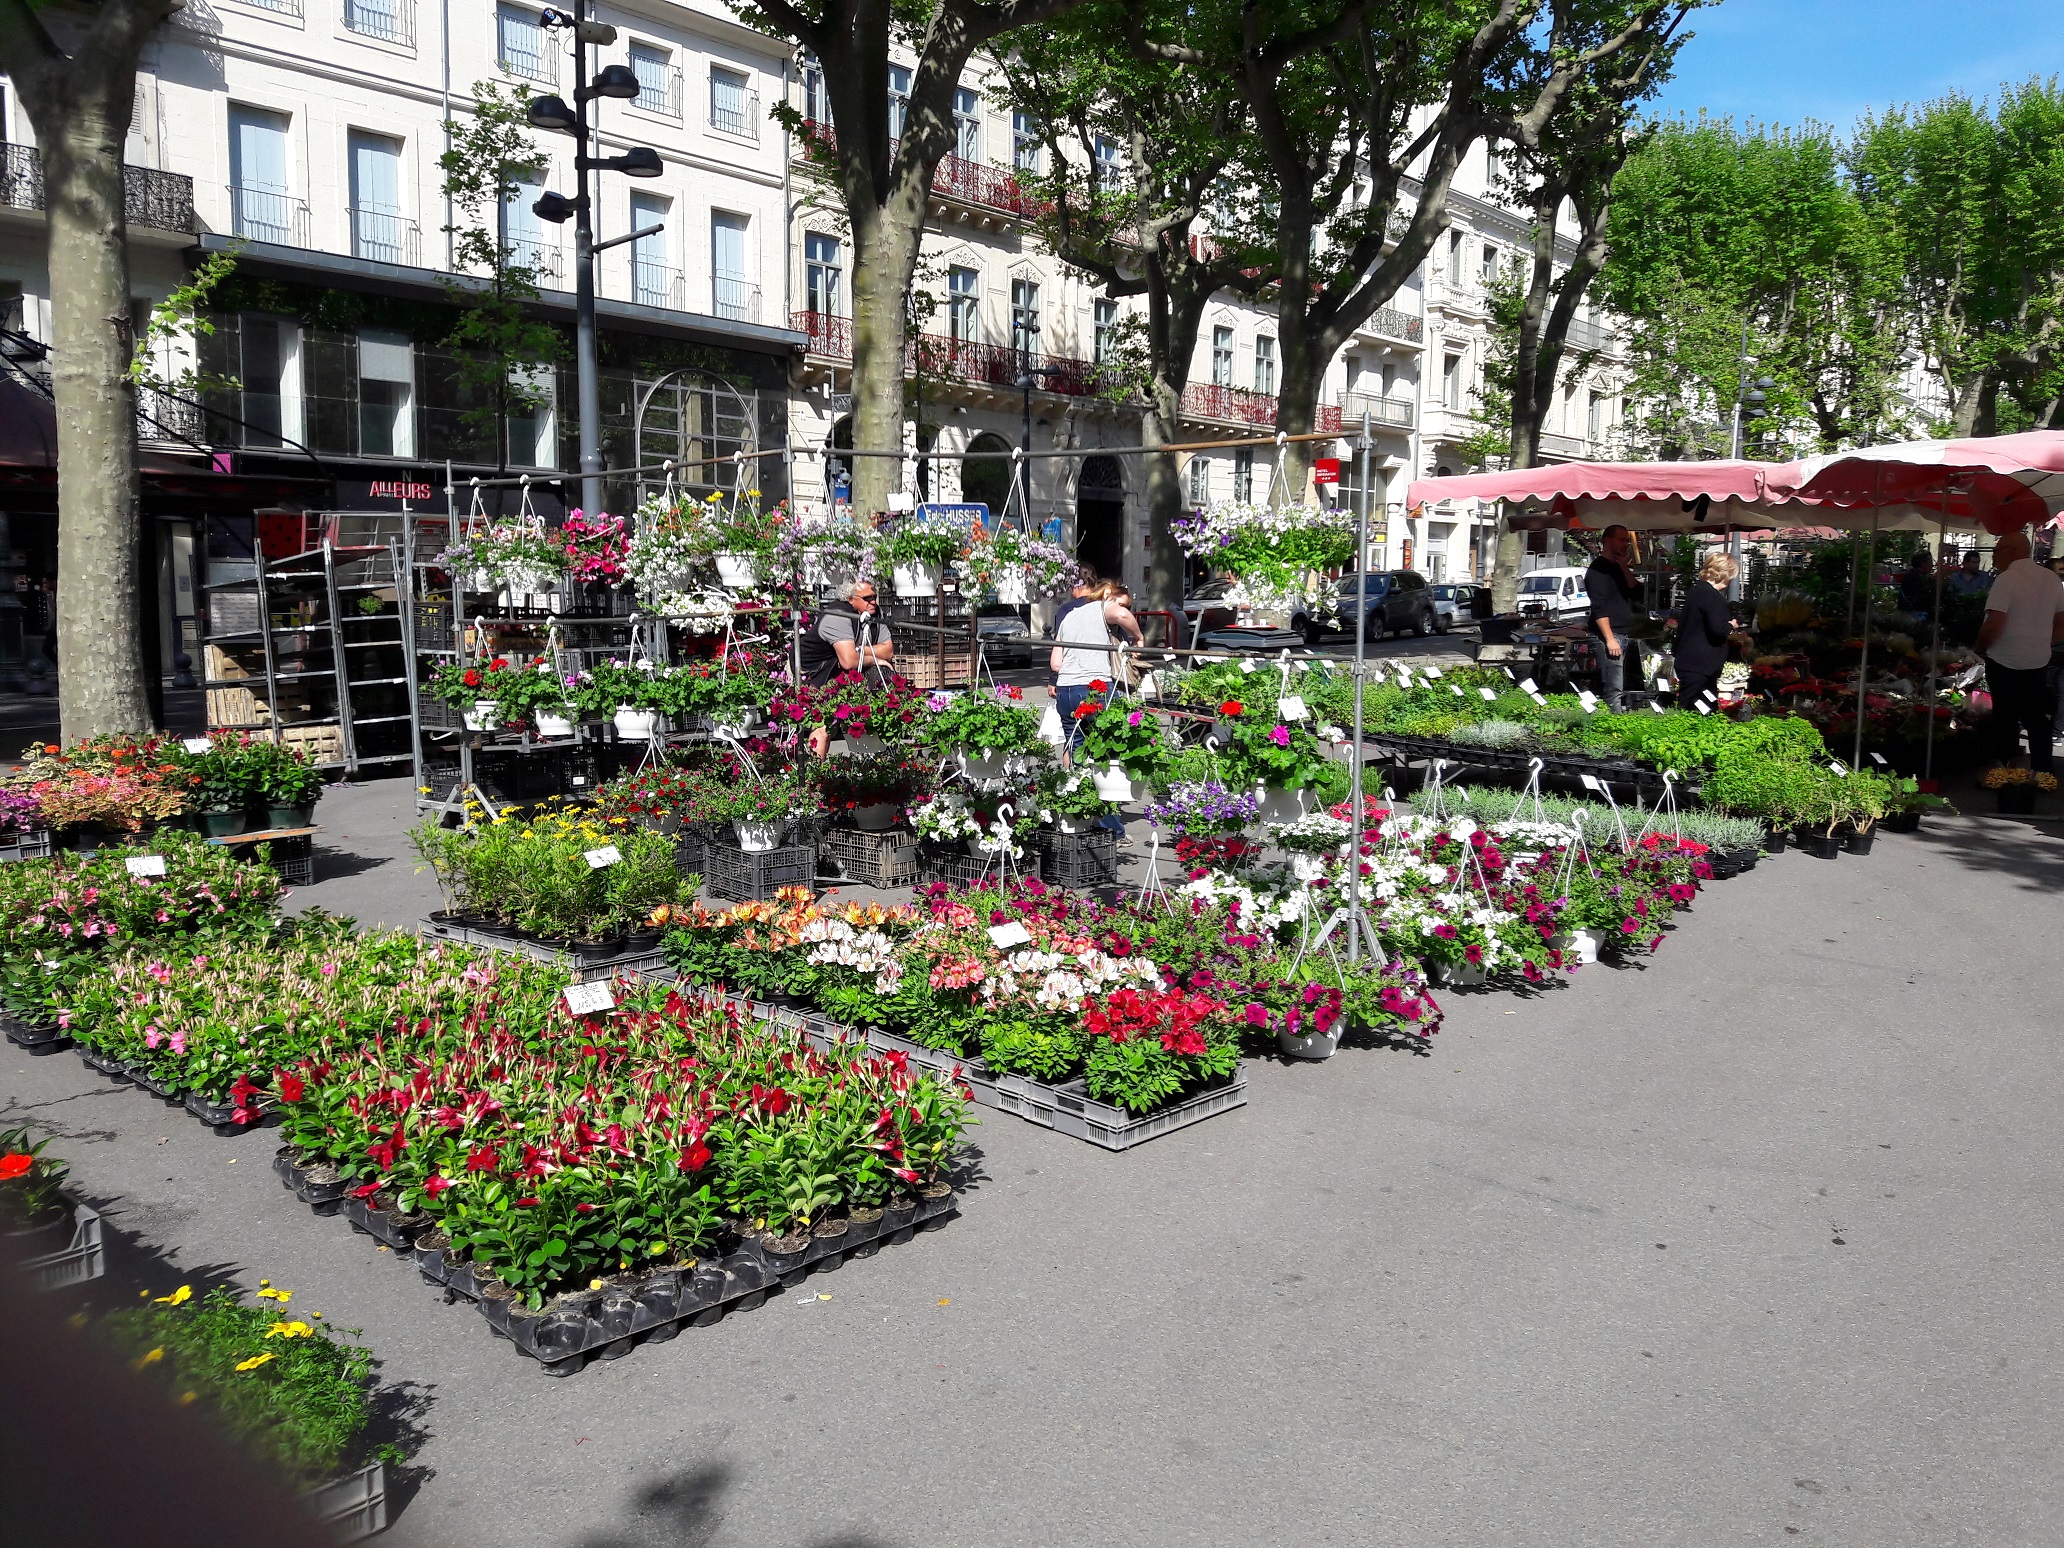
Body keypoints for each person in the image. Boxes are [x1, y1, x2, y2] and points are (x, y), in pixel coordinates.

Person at [1975, 528, 2064, 776]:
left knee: (2006, 716)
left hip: (2005, 658)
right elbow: (2061, 622)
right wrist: (2043, 643)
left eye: (1996, 550)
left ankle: (2006, 770)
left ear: (2012, 552)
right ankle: (2043, 770)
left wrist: (1980, 649)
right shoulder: (2050, 578)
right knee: (2037, 717)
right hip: (2037, 658)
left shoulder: (2006, 579)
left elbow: (1994, 623)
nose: (1993, 556)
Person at [797, 577, 894, 756]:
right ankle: (815, 776)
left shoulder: (874, 614)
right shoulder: (838, 616)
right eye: (867, 598)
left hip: (839, 672)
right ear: (850, 599)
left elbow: (888, 651)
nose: (873, 602)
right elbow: (849, 661)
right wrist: (874, 657)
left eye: (875, 596)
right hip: (813, 673)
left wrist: (859, 650)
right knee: (823, 727)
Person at [1671, 551, 1740, 712]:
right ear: (1723, 573)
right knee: (1695, 711)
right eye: (1730, 576)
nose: (1730, 581)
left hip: (1691, 662)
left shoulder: (1697, 591)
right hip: (1700, 665)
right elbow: (1718, 629)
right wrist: (1731, 625)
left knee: (1703, 709)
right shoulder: (1711, 596)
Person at [1584, 525, 1644, 708]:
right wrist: (1610, 639)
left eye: (1627, 540)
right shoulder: (1598, 570)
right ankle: (1612, 727)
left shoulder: (1617, 568)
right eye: (1622, 539)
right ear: (1608, 540)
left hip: (1623, 633)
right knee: (1613, 687)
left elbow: (1635, 592)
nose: (1626, 544)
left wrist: (1624, 567)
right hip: (1610, 636)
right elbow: (1598, 607)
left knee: (1619, 683)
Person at [1898, 550, 1936, 616]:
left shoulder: (1918, 575)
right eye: (1930, 562)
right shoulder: (1913, 577)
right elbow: (1918, 598)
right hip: (1912, 615)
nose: (1932, 565)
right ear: (1922, 563)